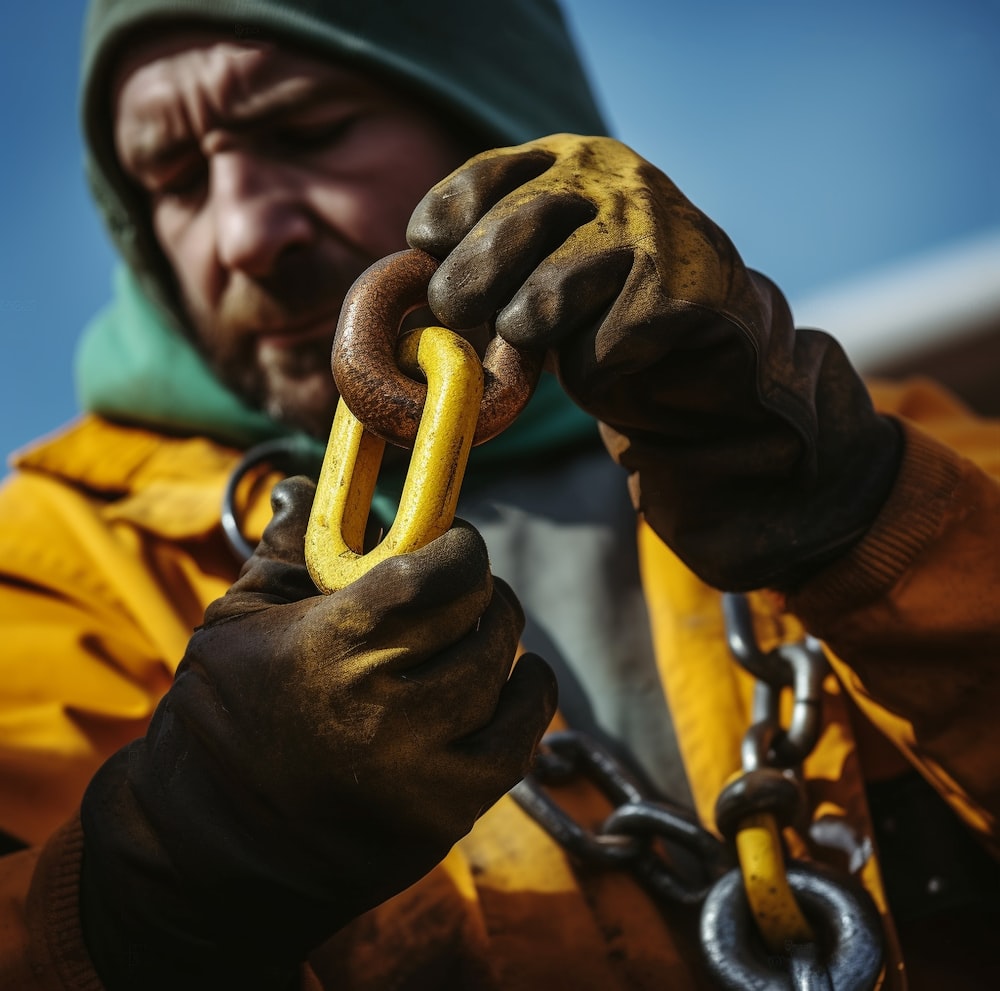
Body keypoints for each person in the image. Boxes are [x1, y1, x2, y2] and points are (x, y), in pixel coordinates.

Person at [1, 0, 998, 987]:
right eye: (173, 181)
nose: (245, 232)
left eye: (309, 131)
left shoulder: (866, 449)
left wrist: (860, 515)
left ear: (487, 119)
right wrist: (171, 872)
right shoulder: (54, 566)